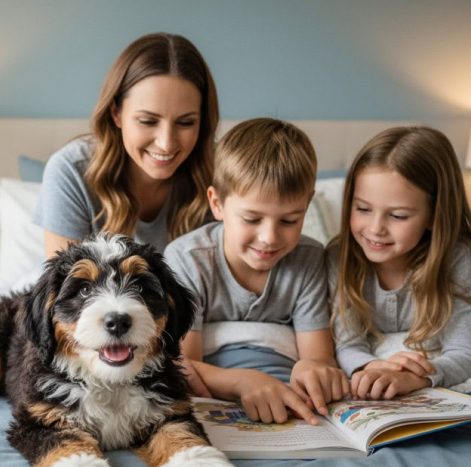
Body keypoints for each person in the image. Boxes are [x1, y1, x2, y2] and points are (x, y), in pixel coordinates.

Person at [164, 118, 349, 425]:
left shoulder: (309, 259)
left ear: (306, 207)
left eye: (289, 221)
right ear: (217, 204)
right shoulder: (188, 259)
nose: (269, 238)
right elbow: (183, 365)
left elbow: (317, 356)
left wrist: (313, 369)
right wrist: (242, 381)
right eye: (251, 219)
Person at [327, 126, 471, 400]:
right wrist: (373, 368)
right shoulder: (340, 257)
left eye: (398, 215)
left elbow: (469, 354)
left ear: (434, 215)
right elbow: (348, 346)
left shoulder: (456, 258)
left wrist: (415, 377)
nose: (375, 228)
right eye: (363, 209)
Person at [35, 32, 218, 256]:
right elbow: (65, 276)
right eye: (148, 121)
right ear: (116, 113)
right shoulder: (71, 170)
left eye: (186, 122)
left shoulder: (222, 172)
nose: (166, 143)